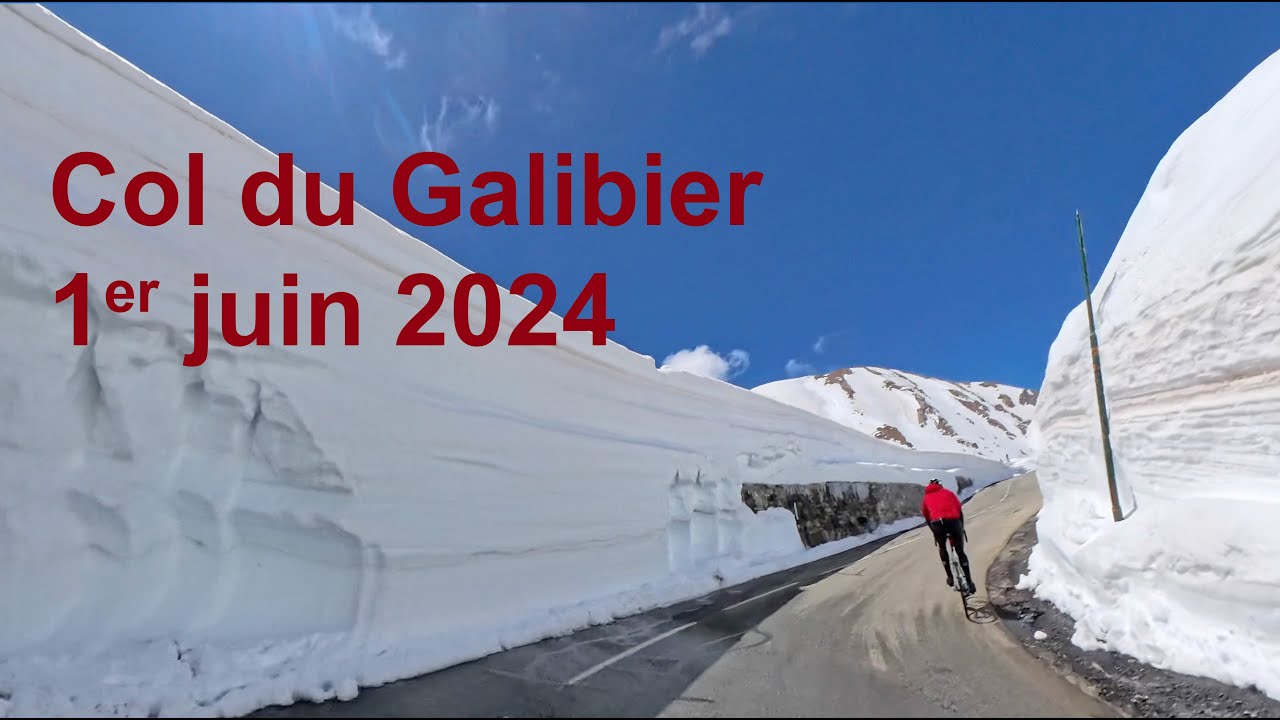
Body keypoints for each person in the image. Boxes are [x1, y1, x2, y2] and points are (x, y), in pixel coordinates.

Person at [922, 478, 974, 593]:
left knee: (942, 547)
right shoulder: (948, 493)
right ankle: (969, 582)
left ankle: (950, 577)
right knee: (960, 552)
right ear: (940, 485)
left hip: (936, 524)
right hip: (953, 522)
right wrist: (961, 528)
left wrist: (935, 533)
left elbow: (927, 517)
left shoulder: (926, 498)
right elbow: (959, 511)